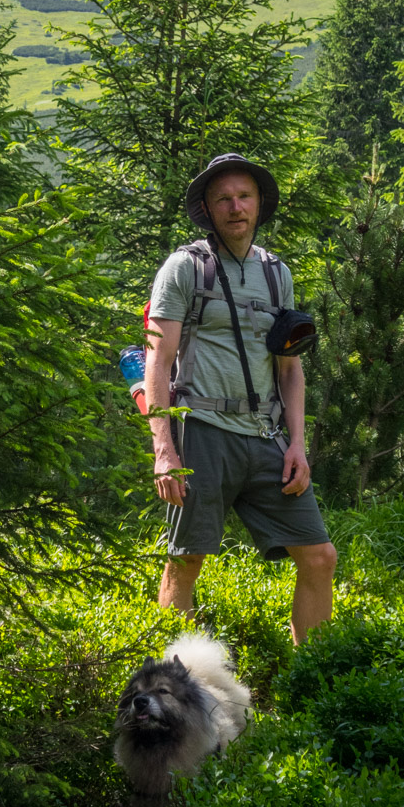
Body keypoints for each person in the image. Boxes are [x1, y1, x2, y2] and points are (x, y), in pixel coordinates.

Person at [144, 153, 336, 645]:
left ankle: (312, 682)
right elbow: (158, 360)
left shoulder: (277, 274)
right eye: (223, 198)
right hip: (200, 433)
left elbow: (290, 367)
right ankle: (170, 695)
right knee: (186, 559)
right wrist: (164, 452)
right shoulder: (184, 268)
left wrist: (298, 444)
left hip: (266, 437)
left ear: (259, 205)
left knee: (318, 556)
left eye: (244, 196)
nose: (235, 207)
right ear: (207, 209)